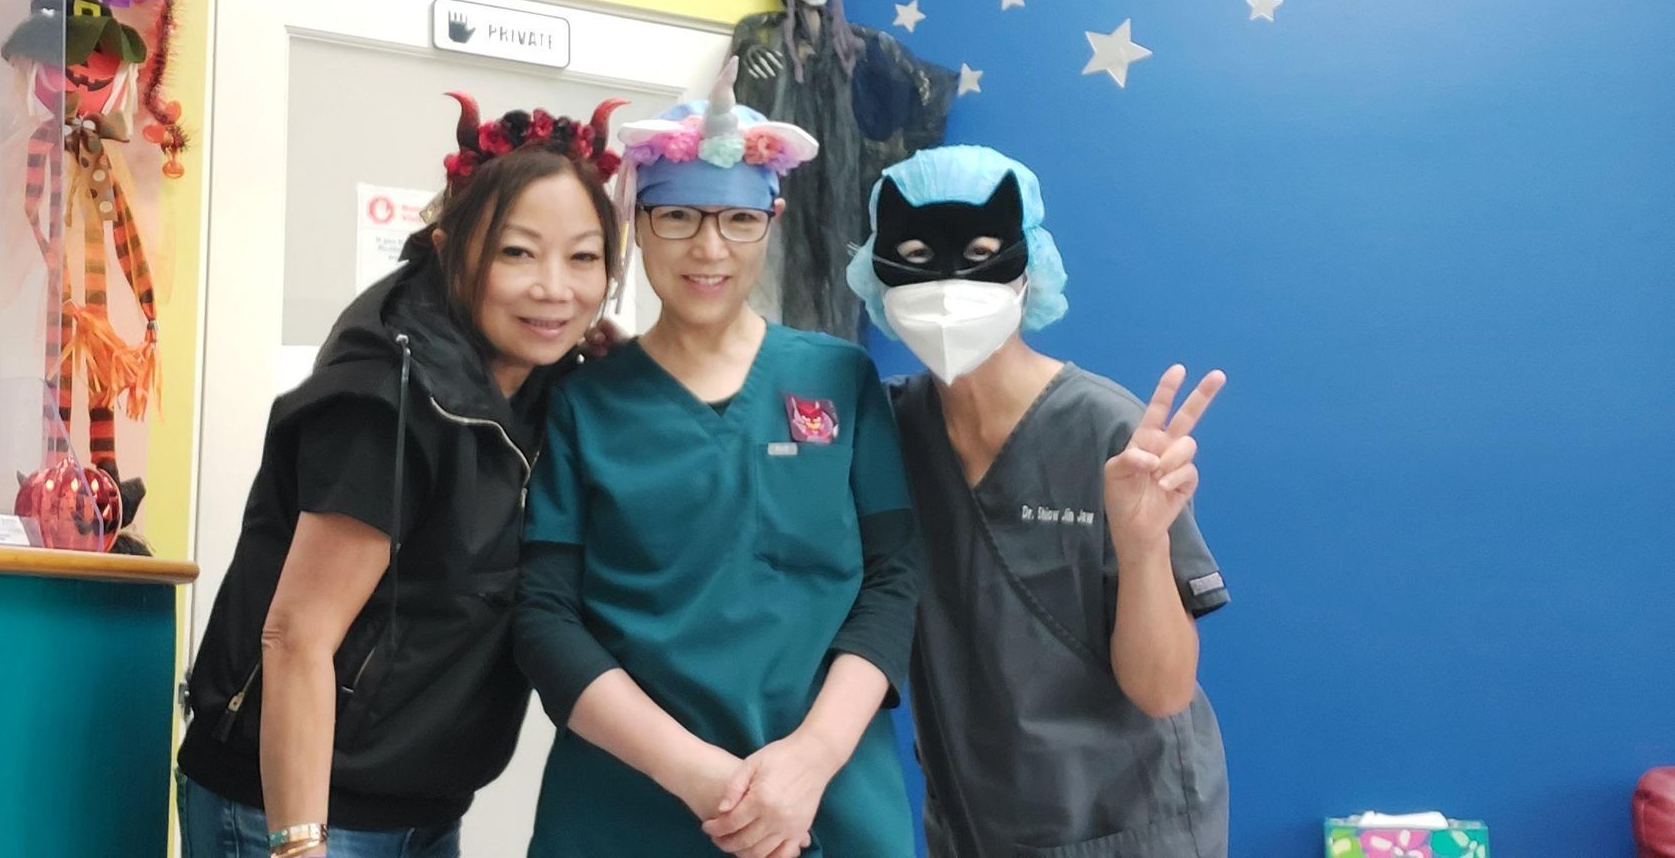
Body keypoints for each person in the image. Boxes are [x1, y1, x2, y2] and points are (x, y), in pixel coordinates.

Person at [176, 94, 627, 858]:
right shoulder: (387, 401)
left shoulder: (543, 385)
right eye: (517, 253)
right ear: (448, 249)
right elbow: (296, 637)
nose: (556, 287)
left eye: (583, 257)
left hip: (421, 808)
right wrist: (298, 845)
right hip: (298, 807)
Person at [515, 59, 920, 858]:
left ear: (772, 221)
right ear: (637, 223)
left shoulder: (838, 379)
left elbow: (894, 579)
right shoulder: (583, 403)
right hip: (627, 808)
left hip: (825, 801)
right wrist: (696, 773)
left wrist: (811, 759)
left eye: (739, 220)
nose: (710, 247)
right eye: (678, 217)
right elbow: (544, 616)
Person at [846, 145, 1231, 858]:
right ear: (877, 272)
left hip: (1127, 823)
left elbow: (1163, 692)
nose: (948, 287)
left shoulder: (1109, 433)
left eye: (980, 254)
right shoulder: (888, 431)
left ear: (1029, 268)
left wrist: (1143, 548)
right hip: (974, 824)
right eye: (917, 258)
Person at [729, 0, 955, 339]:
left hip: (842, 199)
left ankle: (834, 372)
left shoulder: (862, 46)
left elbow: (921, 93)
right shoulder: (761, 34)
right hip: (786, 195)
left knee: (843, 296)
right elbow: (736, 108)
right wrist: (752, 54)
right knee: (780, 288)